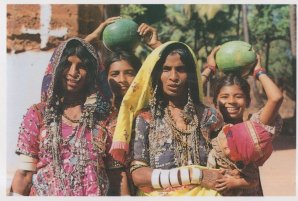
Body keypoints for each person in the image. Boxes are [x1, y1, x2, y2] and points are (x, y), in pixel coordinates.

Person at [109, 41, 225, 196]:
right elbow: (138, 175)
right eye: (166, 69)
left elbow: (227, 165)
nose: (173, 77)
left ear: (190, 74)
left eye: (180, 69)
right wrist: (197, 176)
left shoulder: (209, 117)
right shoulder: (146, 118)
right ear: (157, 75)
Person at [9, 37, 113, 196]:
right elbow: (25, 174)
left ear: (91, 74)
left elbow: (117, 176)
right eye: (67, 64)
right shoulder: (38, 115)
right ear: (56, 69)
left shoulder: (105, 119)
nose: (73, 73)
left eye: (81, 66)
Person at [84, 17, 162, 196]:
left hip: (150, 186)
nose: (121, 80)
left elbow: (175, 70)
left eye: (129, 73)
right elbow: (65, 58)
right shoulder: (99, 112)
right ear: (106, 77)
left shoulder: (149, 108)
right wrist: (97, 35)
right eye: (115, 74)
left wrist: (156, 44)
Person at [202, 46, 283, 195]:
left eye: (238, 96)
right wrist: (210, 68)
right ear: (215, 102)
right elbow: (188, 96)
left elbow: (276, 98)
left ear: (248, 101)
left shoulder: (254, 127)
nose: (231, 101)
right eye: (224, 97)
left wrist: (259, 71)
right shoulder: (209, 127)